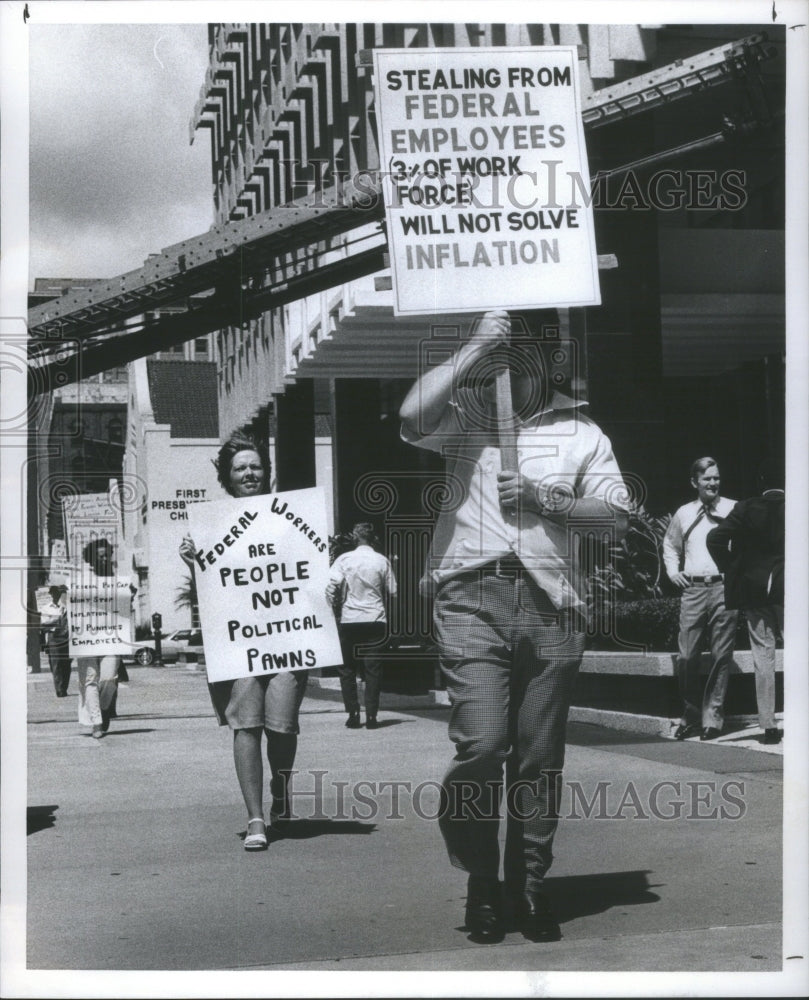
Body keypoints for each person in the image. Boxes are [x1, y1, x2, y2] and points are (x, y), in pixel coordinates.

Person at [399, 309, 628, 944]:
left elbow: (614, 520)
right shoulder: (466, 413)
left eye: (533, 347)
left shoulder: (582, 431)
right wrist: (475, 344)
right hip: (470, 595)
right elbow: (409, 418)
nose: (520, 357)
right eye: (510, 345)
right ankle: (480, 881)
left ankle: (527, 886)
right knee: (482, 746)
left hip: (551, 604)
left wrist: (543, 499)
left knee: (539, 760)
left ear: (552, 357)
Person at [179, 431, 308, 851]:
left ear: (266, 473)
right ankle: (255, 818)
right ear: (227, 477)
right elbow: (212, 587)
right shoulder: (211, 525)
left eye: (255, 466)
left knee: (283, 728)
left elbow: (307, 572)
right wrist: (193, 560)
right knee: (246, 726)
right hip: (238, 643)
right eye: (240, 468)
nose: (249, 473)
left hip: (288, 637)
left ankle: (281, 787)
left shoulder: (290, 516)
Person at [706, 457, 784, 745]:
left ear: (761, 482)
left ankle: (769, 726)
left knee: (763, 656)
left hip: (754, 591)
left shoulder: (746, 507)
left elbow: (715, 539)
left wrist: (732, 569)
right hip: (790, 588)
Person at [663, 457, 738, 742]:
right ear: (695, 482)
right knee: (687, 656)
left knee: (722, 655)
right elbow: (670, 545)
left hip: (723, 588)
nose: (713, 483)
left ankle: (713, 719)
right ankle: (691, 713)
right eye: (707, 479)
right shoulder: (684, 513)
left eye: (716, 478)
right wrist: (673, 572)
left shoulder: (733, 509)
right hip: (693, 589)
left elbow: (744, 545)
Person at [325, 523, 397, 729]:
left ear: (355, 538)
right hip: (375, 619)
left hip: (350, 619)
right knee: (373, 669)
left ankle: (353, 712)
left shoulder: (344, 559)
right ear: (372, 538)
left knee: (346, 667)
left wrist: (333, 608)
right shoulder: (382, 561)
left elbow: (331, 586)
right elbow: (393, 591)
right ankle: (372, 715)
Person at [75, 538, 123, 739]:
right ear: (92, 558)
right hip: (87, 636)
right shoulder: (81, 578)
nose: (104, 559)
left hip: (110, 636)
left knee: (109, 679)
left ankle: (103, 709)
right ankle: (97, 723)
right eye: (100, 556)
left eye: (107, 555)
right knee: (90, 680)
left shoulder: (116, 578)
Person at [41, 584, 71, 697]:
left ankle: (64, 687)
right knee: (56, 663)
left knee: (66, 663)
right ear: (50, 594)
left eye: (58, 592)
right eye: (53, 592)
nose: (56, 594)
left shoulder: (69, 606)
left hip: (67, 637)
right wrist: (57, 619)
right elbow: (44, 624)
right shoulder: (46, 607)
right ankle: (59, 689)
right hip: (54, 637)